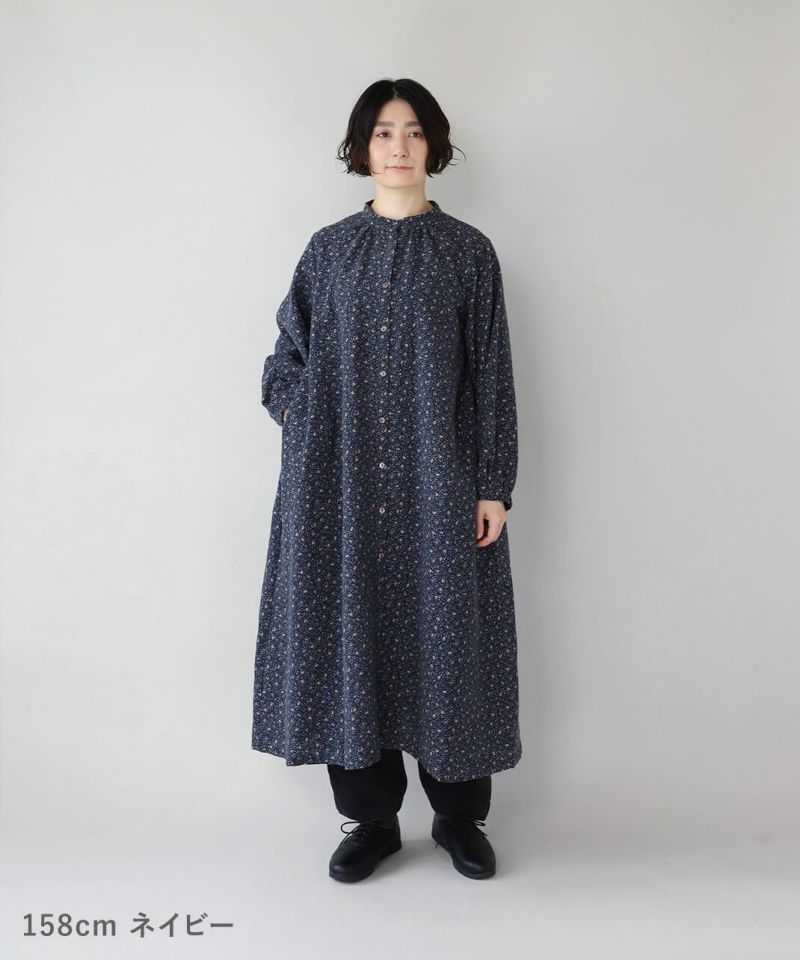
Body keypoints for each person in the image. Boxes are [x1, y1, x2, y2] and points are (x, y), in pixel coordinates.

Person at [252, 78, 521, 883]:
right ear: (361, 147)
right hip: (337, 489)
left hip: (440, 484)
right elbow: (285, 358)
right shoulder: (329, 249)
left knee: (450, 641)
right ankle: (370, 822)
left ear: (434, 144)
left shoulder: (467, 252)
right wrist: (305, 414)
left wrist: (492, 483)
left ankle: (458, 817)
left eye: (411, 131)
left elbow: (491, 375)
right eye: (381, 132)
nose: (397, 146)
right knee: (351, 637)